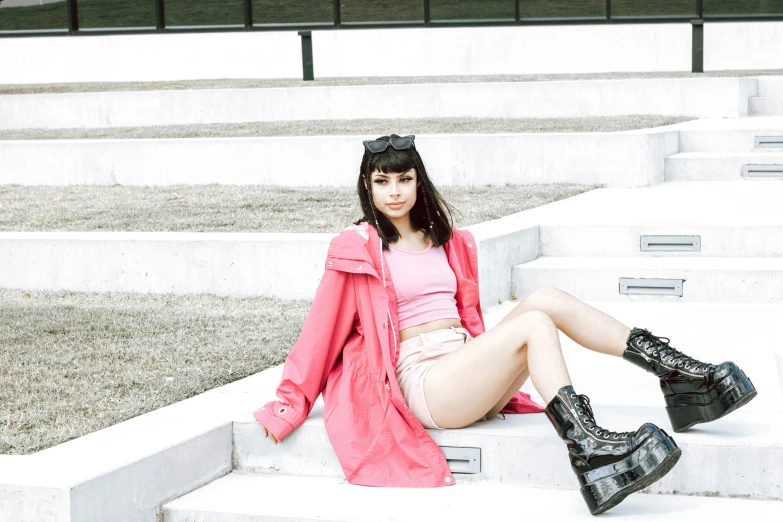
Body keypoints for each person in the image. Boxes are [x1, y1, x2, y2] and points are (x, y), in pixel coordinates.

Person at [254, 134, 757, 515]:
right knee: (535, 322)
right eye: (382, 181)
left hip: (466, 367)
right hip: (425, 381)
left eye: (403, 179)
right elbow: (319, 333)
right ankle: (589, 450)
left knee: (546, 298)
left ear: (418, 180)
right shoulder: (358, 247)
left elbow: (470, 323)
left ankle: (681, 376)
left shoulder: (447, 240)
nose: (394, 191)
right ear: (367, 186)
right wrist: (288, 403)